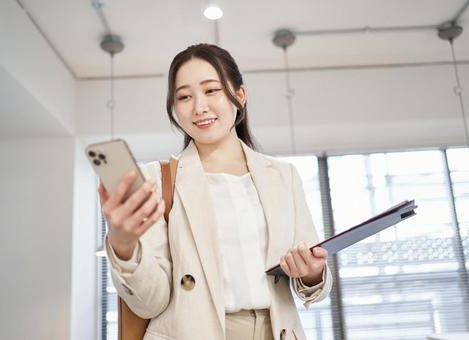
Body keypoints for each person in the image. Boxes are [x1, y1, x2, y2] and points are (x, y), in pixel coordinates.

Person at [99, 44, 333, 340]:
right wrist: (123, 246)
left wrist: (311, 273)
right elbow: (150, 303)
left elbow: (314, 285)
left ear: (240, 95)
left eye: (211, 91)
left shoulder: (284, 177)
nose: (199, 107)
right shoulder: (157, 181)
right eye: (184, 97)